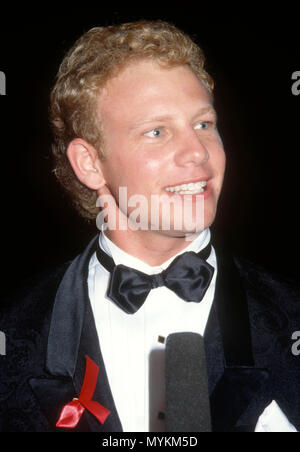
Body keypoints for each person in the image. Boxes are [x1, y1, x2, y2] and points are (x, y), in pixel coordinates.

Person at [0, 20, 300, 433]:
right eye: (156, 132)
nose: (198, 152)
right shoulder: (13, 333)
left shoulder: (290, 315)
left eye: (203, 124)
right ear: (89, 163)